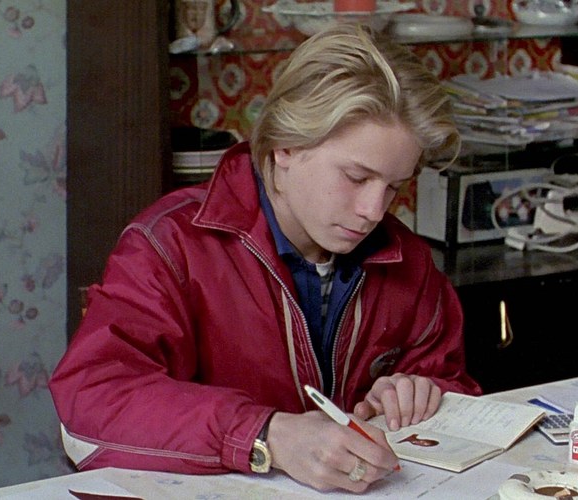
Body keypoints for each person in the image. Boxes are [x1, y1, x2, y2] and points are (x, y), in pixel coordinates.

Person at [49, 24, 482, 494]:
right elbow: (91, 401)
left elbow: (452, 386)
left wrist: (417, 393)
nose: (374, 211)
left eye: (394, 186)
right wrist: (266, 435)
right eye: (357, 177)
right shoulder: (170, 244)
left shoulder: (408, 260)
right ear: (286, 145)